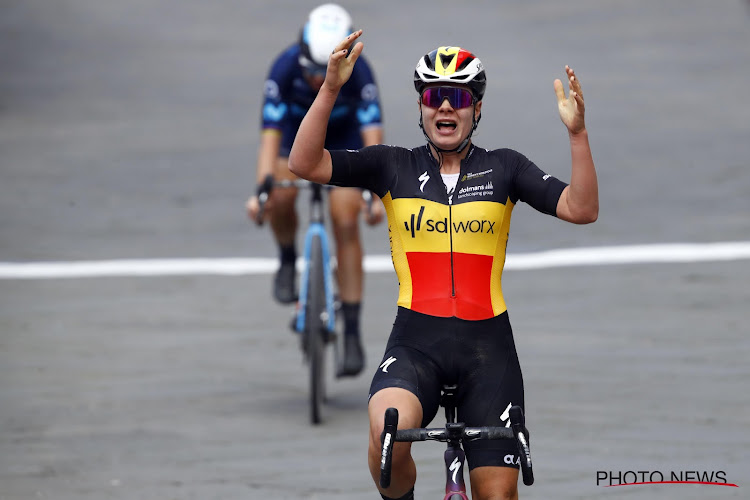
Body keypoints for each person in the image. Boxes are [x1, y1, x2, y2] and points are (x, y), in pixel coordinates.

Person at [289, 30, 598, 500]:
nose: (446, 108)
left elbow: (582, 208)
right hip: (417, 344)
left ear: (476, 108)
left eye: (458, 97)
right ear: (420, 108)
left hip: (487, 351)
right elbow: (303, 162)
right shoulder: (391, 166)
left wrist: (577, 135)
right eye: (434, 96)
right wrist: (330, 88)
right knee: (385, 437)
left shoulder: (505, 168)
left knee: (498, 494)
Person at [245, 4, 384, 377]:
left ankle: (352, 330)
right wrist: (262, 191)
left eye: (321, 75)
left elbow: (373, 141)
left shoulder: (360, 72)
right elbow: (270, 137)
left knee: (345, 217)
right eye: (309, 73)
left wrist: (373, 194)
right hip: (296, 138)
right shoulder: (283, 67)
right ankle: (288, 258)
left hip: (344, 141)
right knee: (281, 194)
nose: (312, 82)